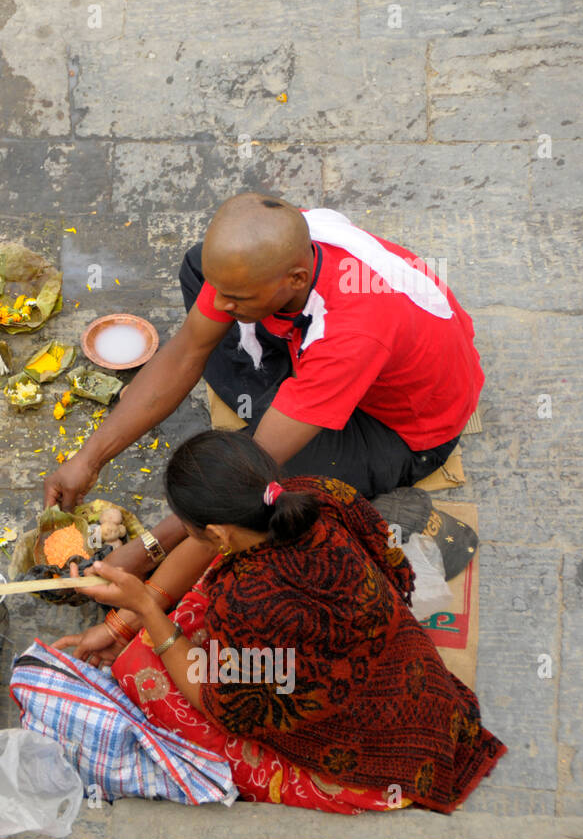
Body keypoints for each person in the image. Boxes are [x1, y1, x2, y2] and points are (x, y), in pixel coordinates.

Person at [58, 430, 503, 814]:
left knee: (138, 668)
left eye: (195, 531)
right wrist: (127, 617)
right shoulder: (319, 494)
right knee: (200, 598)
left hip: (375, 750)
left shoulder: (248, 603)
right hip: (413, 686)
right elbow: (218, 545)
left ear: (217, 534)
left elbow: (223, 704)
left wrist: (149, 614)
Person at [45, 193, 483, 583]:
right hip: (328, 357)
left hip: (400, 431)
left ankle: (299, 416)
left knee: (266, 484)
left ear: (295, 278)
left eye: (236, 298)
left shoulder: (353, 334)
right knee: (200, 268)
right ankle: (290, 402)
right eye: (226, 294)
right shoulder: (289, 245)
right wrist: (88, 459)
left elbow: (250, 474)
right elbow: (184, 354)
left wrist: (148, 551)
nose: (221, 305)